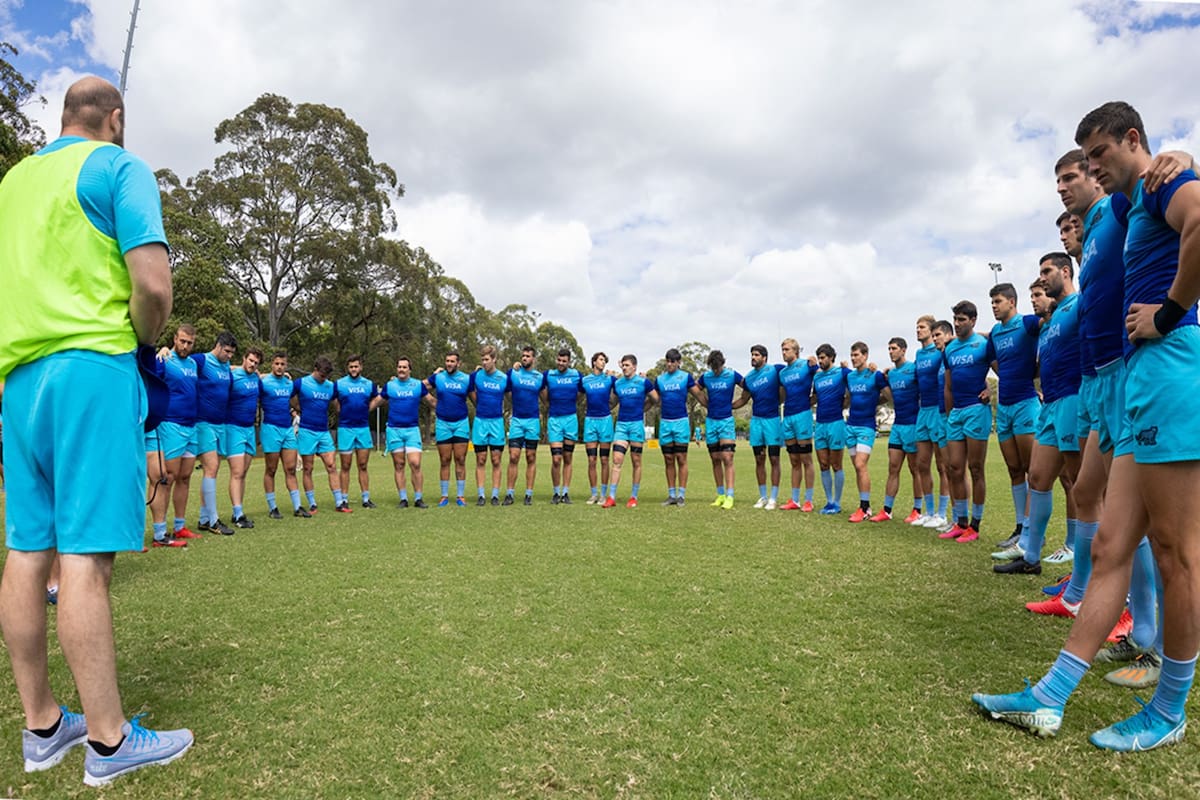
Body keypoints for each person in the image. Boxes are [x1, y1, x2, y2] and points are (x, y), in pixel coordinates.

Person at [973, 102, 1200, 752]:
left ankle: (1168, 708)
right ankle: (1049, 698)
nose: (1092, 169)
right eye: (1085, 162)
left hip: (1169, 370)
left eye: (1098, 156)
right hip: (1135, 383)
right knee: (1110, 547)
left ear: (1132, 139)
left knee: (1177, 553)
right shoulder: (1124, 207)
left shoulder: (1155, 183)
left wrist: (1170, 310)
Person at [0, 75, 192, 784]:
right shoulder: (118, 165)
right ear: (115, 118)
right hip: (91, 368)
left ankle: (43, 725)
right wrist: (147, 341)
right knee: (85, 555)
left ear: (63, 117)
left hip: (19, 380)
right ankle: (110, 743)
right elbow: (153, 287)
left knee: (29, 549)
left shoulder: (12, 182)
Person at [994, 256, 1082, 576]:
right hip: (1050, 407)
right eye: (1032, 294)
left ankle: (1077, 553)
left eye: (1039, 293)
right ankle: (1030, 556)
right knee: (1038, 478)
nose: (1035, 298)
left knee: (1079, 483)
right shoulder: (1045, 328)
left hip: (1073, 401)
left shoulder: (1077, 306)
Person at [984, 283, 1041, 551]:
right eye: (992, 302)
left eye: (997, 301)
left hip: (1026, 404)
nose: (994, 306)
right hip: (1004, 407)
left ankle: (1033, 531)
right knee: (1014, 469)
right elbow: (992, 360)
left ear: (1012, 302)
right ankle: (1020, 527)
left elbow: (1049, 335)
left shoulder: (1028, 323)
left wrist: (1033, 372)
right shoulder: (995, 333)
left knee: (1033, 470)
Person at [146, 324, 201, 546]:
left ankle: (179, 527)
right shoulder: (164, 359)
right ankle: (160, 532)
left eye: (189, 343)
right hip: (171, 425)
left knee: (185, 477)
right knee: (166, 478)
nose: (185, 346)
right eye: (182, 341)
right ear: (175, 339)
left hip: (191, 427)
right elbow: (151, 384)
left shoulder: (194, 364)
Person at [940, 301, 991, 543]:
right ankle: (960, 522)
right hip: (956, 413)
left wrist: (989, 390)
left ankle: (975, 524)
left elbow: (1002, 371)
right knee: (954, 468)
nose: (957, 324)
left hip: (976, 410)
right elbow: (948, 386)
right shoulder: (949, 349)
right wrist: (950, 413)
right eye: (955, 319)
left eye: (962, 319)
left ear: (973, 320)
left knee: (976, 469)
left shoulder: (983, 344)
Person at [873, 337, 923, 523]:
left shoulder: (914, 369)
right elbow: (888, 396)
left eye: (894, 348)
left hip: (913, 424)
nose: (890, 352)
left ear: (903, 350)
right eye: (889, 349)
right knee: (893, 468)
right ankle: (887, 510)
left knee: (915, 469)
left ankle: (917, 510)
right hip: (898, 425)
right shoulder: (891, 374)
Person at [193, 331, 237, 535]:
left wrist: (261, 374)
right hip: (204, 424)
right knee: (211, 467)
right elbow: (180, 361)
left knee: (213, 470)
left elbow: (236, 369)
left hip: (221, 425)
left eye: (232, 353)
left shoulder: (226, 366)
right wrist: (166, 350)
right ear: (218, 346)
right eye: (227, 351)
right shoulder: (201, 360)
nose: (229, 356)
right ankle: (213, 520)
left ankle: (204, 518)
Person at [603, 355, 658, 507]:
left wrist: (643, 408)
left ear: (634, 366)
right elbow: (612, 402)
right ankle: (611, 497)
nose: (624, 368)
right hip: (621, 425)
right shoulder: (618, 383)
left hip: (636, 425)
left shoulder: (643, 382)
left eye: (627, 365)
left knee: (636, 461)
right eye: (623, 365)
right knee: (617, 460)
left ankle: (633, 497)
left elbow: (655, 399)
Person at [259, 350, 309, 518]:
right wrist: (264, 375)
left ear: (286, 366)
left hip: (287, 429)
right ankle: (273, 507)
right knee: (271, 469)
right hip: (270, 429)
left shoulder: (289, 384)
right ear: (272, 364)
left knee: (291, 469)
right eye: (277, 364)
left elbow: (296, 402)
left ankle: (298, 506)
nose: (279, 367)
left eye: (282, 364)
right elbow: (252, 377)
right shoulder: (264, 382)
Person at [844, 342, 889, 522]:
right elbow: (849, 397)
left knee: (860, 464)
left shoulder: (875, 375)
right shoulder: (850, 377)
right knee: (857, 467)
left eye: (856, 355)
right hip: (850, 426)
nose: (853, 358)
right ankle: (865, 505)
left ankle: (864, 508)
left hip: (866, 426)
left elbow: (888, 395)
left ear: (865, 355)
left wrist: (874, 401)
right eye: (852, 355)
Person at [735, 344, 784, 509]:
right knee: (759, 459)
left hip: (772, 420)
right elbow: (743, 399)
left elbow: (791, 374)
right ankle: (763, 497)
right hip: (756, 421)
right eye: (752, 354)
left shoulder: (775, 370)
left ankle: (773, 498)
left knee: (774, 459)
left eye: (756, 355)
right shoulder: (748, 378)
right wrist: (727, 406)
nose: (753, 357)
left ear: (764, 357)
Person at [913, 316, 951, 529]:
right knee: (922, 464)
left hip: (938, 410)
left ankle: (942, 513)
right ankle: (928, 512)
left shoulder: (940, 351)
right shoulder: (918, 354)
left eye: (922, 327)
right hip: (923, 411)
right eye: (916, 327)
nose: (918, 330)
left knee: (942, 465)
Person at [293, 356, 342, 512]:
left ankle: (340, 502)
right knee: (308, 468)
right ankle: (312, 504)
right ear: (315, 369)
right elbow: (291, 398)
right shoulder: (301, 383)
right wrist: (298, 408)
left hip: (323, 431)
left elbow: (337, 404)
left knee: (331, 465)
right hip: (307, 431)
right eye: (321, 375)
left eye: (326, 376)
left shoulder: (330, 386)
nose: (323, 379)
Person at [696, 350, 742, 508]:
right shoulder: (706, 377)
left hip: (726, 421)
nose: (715, 370)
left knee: (727, 457)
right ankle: (720, 495)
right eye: (713, 368)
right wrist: (704, 402)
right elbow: (696, 389)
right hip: (711, 421)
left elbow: (748, 388)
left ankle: (730, 496)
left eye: (718, 367)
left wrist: (739, 403)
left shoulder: (732, 375)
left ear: (723, 363)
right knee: (715, 458)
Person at [335, 355, 382, 510]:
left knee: (363, 465)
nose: (353, 369)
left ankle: (366, 499)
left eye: (356, 366)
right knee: (345, 465)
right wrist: (340, 410)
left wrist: (368, 408)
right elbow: (334, 400)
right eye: (351, 367)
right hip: (345, 428)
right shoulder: (339, 384)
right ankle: (343, 499)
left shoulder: (369, 384)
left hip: (363, 428)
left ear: (361, 367)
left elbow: (378, 399)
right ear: (347, 368)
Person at [426, 351, 472, 507]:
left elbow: (475, 398)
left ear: (458, 363)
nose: (449, 364)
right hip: (443, 424)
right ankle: (444, 496)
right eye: (447, 361)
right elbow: (419, 387)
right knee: (445, 460)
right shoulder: (438, 377)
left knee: (460, 459)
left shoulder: (466, 379)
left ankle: (460, 496)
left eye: (452, 361)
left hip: (461, 423)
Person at [384, 357, 430, 508]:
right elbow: (377, 400)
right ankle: (403, 499)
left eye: (404, 367)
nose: (401, 369)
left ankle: (418, 498)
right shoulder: (390, 385)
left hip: (412, 430)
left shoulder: (418, 385)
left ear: (410, 370)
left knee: (415, 463)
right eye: (399, 367)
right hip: (394, 430)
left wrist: (446, 410)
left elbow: (431, 400)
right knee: (399, 465)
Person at [656, 348, 700, 506]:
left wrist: (711, 405)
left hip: (681, 422)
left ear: (678, 362)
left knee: (681, 458)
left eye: (672, 361)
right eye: (667, 361)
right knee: (668, 459)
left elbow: (698, 394)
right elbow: (654, 398)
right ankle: (671, 495)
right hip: (665, 423)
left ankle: (681, 495)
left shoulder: (685, 377)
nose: (669, 364)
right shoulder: (660, 379)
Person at [225, 347, 263, 529]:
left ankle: (237, 512)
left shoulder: (256, 377)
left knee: (243, 473)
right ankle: (238, 514)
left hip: (250, 429)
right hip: (234, 428)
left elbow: (264, 378)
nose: (253, 364)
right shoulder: (232, 375)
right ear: (244, 359)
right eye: (251, 360)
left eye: (256, 363)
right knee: (237, 472)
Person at [778, 338, 817, 511]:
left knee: (806, 459)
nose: (784, 352)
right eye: (782, 349)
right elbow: (781, 395)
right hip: (787, 417)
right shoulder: (782, 373)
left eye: (787, 349)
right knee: (794, 460)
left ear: (796, 351)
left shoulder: (806, 365)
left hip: (803, 416)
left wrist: (813, 399)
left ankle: (808, 500)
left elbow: (822, 376)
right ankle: (794, 500)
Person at [468, 346, 509, 505]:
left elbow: (512, 394)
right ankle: (481, 495)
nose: (484, 362)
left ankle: (495, 495)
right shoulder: (476, 376)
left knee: (496, 460)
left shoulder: (504, 378)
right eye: (482, 360)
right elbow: (469, 391)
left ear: (494, 360)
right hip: (480, 422)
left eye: (487, 359)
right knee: (481, 459)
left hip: (497, 423)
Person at [812, 344, 850, 514]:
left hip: (836, 423)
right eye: (818, 358)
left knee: (836, 464)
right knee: (823, 464)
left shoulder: (842, 373)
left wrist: (845, 404)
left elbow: (855, 384)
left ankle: (837, 502)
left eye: (823, 358)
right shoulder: (817, 377)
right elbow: (814, 397)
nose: (820, 361)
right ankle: (829, 502)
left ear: (831, 358)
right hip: (820, 424)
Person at [506, 347, 545, 505]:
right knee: (513, 456)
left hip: (533, 421)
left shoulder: (539, 377)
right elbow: (507, 393)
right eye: (523, 356)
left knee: (531, 457)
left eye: (528, 356)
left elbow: (545, 399)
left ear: (533, 359)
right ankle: (510, 494)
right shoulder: (513, 373)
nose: (524, 358)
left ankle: (528, 494)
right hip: (516, 420)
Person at [545, 348, 582, 504]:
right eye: (559, 360)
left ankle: (565, 492)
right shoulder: (548, 375)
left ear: (569, 362)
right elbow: (542, 392)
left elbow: (581, 393)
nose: (561, 363)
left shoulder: (577, 375)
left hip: (571, 419)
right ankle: (555, 492)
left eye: (564, 361)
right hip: (554, 419)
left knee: (568, 457)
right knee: (556, 459)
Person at [580, 352, 616, 504]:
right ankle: (593, 494)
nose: (603, 362)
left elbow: (623, 388)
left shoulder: (609, 379)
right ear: (594, 362)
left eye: (604, 361)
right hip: (590, 421)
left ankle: (603, 494)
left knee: (604, 459)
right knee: (591, 459)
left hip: (605, 421)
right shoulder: (585, 380)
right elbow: (577, 395)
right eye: (601, 360)